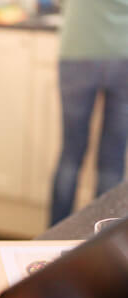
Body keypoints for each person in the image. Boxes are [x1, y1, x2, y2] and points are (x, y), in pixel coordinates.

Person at [49, 0, 128, 225]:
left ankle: (51, 241)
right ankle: (103, 243)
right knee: (113, 161)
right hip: (124, 52)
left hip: (78, 50)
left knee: (71, 155)